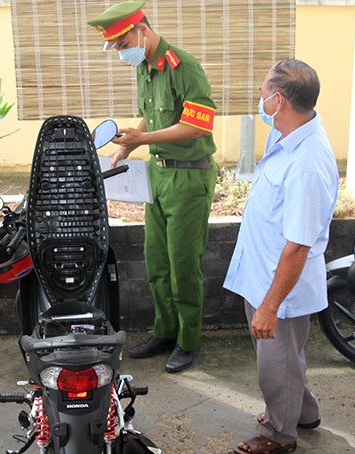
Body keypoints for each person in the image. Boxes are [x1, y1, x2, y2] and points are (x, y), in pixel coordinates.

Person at [87, 1, 219, 373]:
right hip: (158, 174)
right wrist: (131, 140)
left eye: (122, 42)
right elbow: (151, 112)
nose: (119, 52)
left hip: (189, 176)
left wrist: (143, 138)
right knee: (156, 262)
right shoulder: (146, 67)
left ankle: (189, 340)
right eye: (114, 46)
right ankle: (165, 331)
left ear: (142, 31)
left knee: (182, 263)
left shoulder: (183, 66)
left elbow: (199, 125)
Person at [224, 59, 339, 454]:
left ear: (278, 100)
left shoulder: (307, 161)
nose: (259, 101)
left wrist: (270, 306)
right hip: (263, 274)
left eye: (262, 95)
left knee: (277, 366)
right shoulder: (289, 134)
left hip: (281, 286)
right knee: (288, 359)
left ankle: (279, 433)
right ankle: (301, 413)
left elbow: (298, 245)